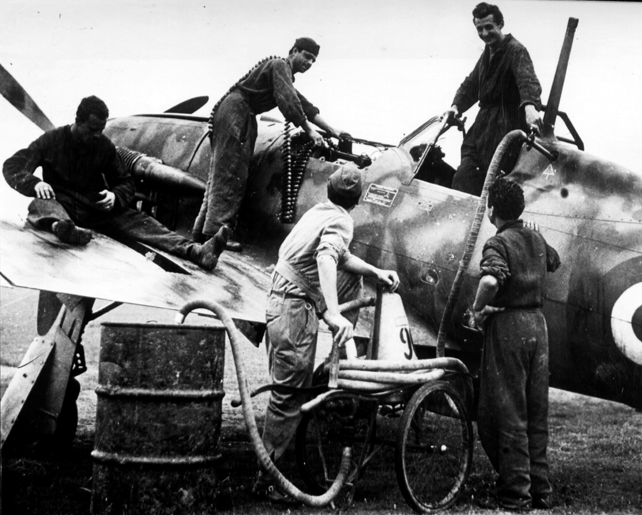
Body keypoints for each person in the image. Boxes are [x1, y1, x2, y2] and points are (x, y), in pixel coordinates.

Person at [253, 165, 400, 503]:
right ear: (358, 198)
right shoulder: (342, 221)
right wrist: (333, 313)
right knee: (289, 395)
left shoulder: (319, 213)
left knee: (288, 392)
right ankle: (268, 480)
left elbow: (340, 255)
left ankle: (270, 471)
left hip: (283, 301)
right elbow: (326, 258)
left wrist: (375, 271)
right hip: (293, 308)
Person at [3, 95, 229, 271]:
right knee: (40, 204)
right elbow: (12, 166)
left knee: (144, 223)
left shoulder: (104, 146)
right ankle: (61, 228)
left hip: (96, 207)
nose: (97, 135)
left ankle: (197, 252)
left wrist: (115, 196)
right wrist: (34, 183)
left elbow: (124, 182)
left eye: (101, 130)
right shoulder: (51, 141)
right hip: (62, 204)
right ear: (78, 122)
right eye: (92, 129)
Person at [193, 37, 350, 250]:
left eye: (313, 60)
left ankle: (201, 230)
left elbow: (304, 105)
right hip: (237, 113)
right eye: (307, 56)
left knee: (221, 172)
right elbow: (290, 101)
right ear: (294, 51)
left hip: (239, 113)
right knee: (232, 172)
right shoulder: (280, 66)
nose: (310, 63)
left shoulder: (282, 72)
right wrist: (309, 131)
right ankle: (216, 234)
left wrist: (332, 130)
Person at [470, 176, 560, 511]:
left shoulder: (498, 242)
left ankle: (516, 495)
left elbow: (492, 278)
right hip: (538, 326)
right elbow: (554, 261)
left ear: (492, 210)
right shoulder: (535, 236)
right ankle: (542, 492)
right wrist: (536, 236)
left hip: (509, 325)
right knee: (535, 413)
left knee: (509, 413)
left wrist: (477, 309)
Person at [448, 2, 543, 196]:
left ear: (500, 24)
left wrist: (530, 108)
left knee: (494, 182)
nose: (484, 33)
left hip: (505, 126)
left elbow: (528, 82)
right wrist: (456, 107)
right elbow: (470, 86)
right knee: (465, 175)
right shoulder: (486, 54)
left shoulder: (516, 51)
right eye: (479, 29)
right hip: (482, 127)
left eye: (489, 27)